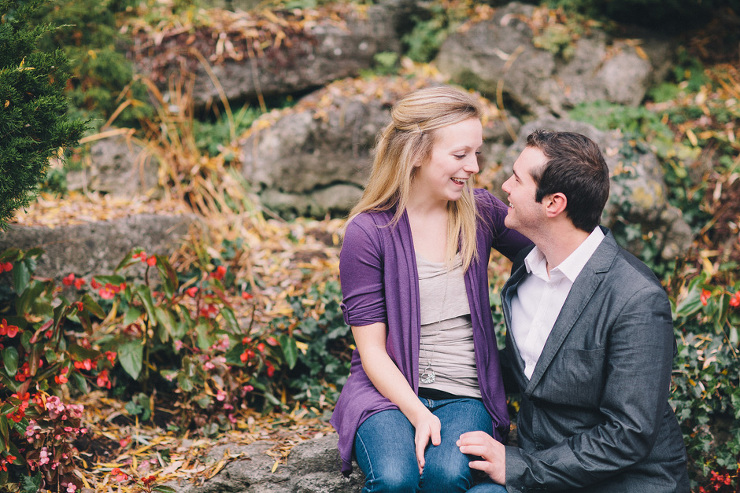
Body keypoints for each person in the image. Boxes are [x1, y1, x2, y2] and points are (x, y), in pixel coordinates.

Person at [457, 130, 690, 492]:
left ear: (553, 203)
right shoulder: (527, 269)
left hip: (625, 482)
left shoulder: (636, 298)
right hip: (545, 471)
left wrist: (520, 467)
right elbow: (529, 370)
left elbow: (627, 434)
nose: (505, 186)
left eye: (517, 179)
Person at [330, 85, 531, 492]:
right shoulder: (369, 232)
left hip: (465, 394)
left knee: (445, 474)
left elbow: (548, 258)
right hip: (387, 391)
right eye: (460, 155)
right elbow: (371, 350)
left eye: (477, 152)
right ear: (417, 153)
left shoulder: (481, 212)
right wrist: (418, 414)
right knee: (393, 478)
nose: (473, 166)